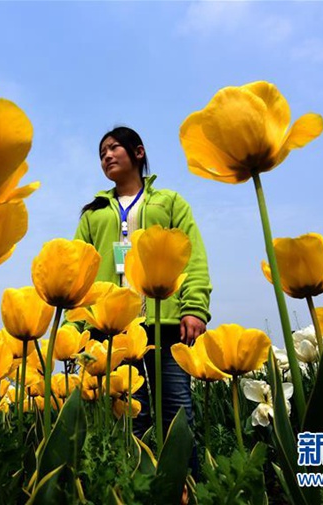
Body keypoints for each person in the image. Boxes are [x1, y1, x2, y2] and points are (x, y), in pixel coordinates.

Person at [74, 126, 212, 472]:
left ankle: (188, 488)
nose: (106, 155)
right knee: (130, 415)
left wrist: (194, 307)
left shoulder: (169, 202)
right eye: (101, 152)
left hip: (164, 323)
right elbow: (77, 269)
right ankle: (135, 487)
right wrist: (75, 328)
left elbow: (192, 256)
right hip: (114, 329)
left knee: (177, 411)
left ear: (138, 152)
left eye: (113, 147)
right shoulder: (94, 213)